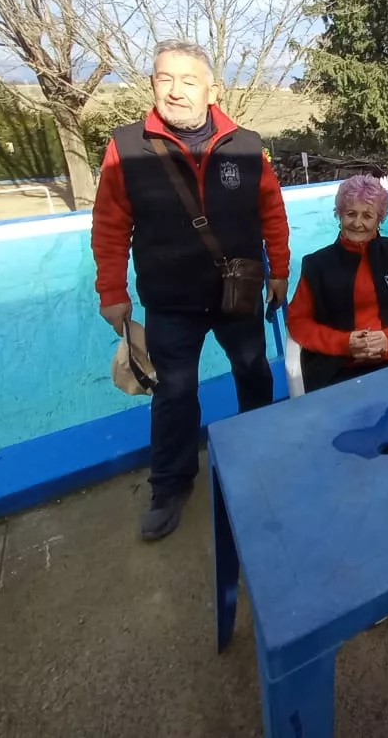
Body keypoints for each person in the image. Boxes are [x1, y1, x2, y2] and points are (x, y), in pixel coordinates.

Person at [91, 39, 290, 542]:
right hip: (171, 297)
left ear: (211, 89)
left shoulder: (246, 144)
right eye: (165, 79)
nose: (175, 91)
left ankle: (260, 452)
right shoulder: (127, 146)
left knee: (252, 370)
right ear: (153, 84)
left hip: (237, 291)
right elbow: (110, 223)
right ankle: (170, 484)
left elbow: (271, 211)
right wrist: (112, 289)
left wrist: (279, 271)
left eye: (187, 80)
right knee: (174, 393)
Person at [286, 174, 388, 391]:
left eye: (367, 216)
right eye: (351, 214)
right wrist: (344, 343)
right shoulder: (317, 265)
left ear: (379, 219)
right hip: (338, 368)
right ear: (339, 215)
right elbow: (298, 322)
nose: (357, 223)